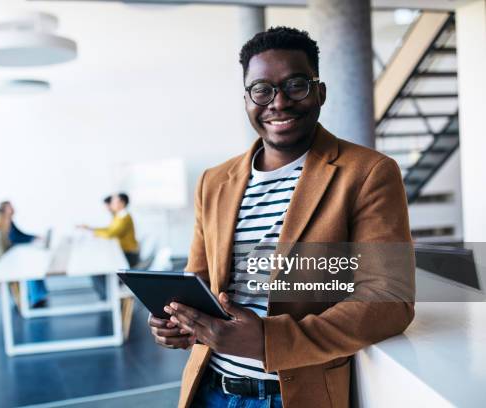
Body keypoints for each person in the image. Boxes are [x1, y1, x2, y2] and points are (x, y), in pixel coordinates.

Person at [148, 27, 415, 408]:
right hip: (209, 388)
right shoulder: (214, 181)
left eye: (295, 85)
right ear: (246, 100)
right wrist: (176, 319)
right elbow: (200, 280)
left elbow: (390, 300)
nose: (279, 102)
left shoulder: (368, 172)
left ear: (319, 92)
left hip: (293, 395)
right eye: (262, 89)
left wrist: (269, 340)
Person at [78, 193, 140, 299]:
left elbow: (111, 233)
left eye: (114, 202)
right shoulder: (119, 216)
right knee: (99, 267)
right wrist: (91, 229)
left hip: (129, 255)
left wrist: (92, 231)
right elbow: (109, 229)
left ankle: (109, 298)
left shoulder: (124, 217)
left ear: (122, 203)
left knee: (97, 271)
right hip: (125, 252)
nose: (111, 204)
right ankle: (109, 297)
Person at [0, 201, 48, 308]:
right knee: (32, 267)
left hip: (14, 254)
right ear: (5, 210)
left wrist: (34, 237)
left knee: (35, 264)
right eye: (10, 207)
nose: (13, 208)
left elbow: (21, 234)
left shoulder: (10, 222)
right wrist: (32, 238)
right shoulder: (5, 223)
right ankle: (36, 297)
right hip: (10, 260)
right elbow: (15, 238)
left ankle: (40, 295)